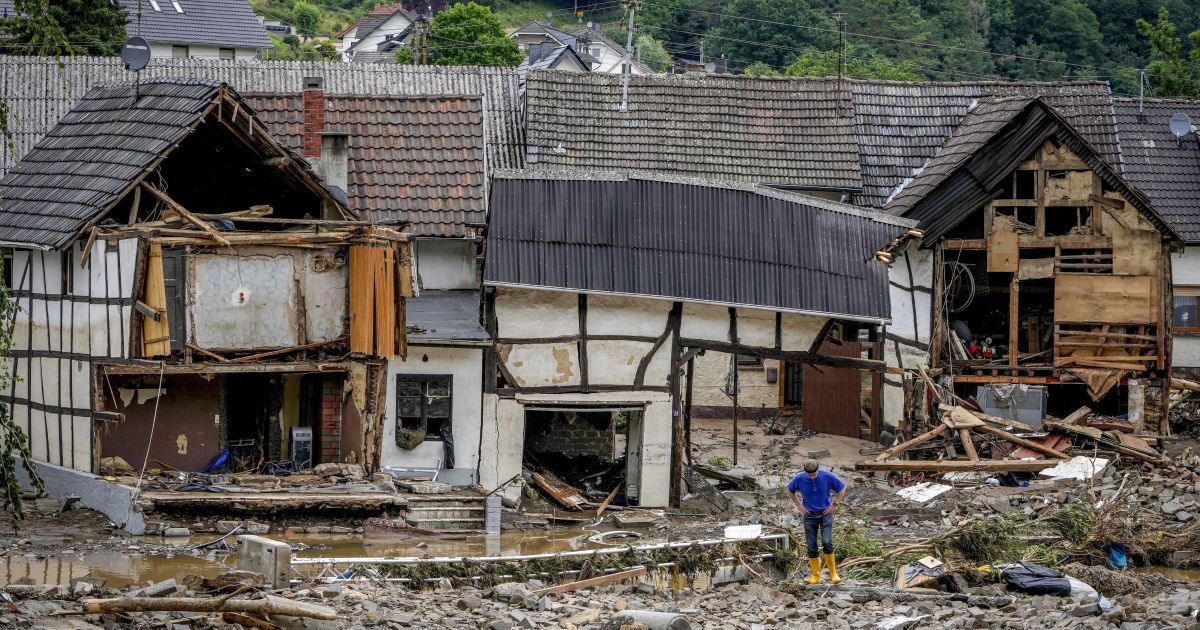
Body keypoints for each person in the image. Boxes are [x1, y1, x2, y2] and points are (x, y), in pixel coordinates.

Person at [787, 459, 847, 585]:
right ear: (805, 471)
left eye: (814, 474)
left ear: (818, 469)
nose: (812, 476)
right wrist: (798, 504)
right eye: (810, 475)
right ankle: (815, 576)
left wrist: (835, 504)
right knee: (811, 546)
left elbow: (842, 488)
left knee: (827, 542)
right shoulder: (799, 478)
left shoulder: (827, 476)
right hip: (808, 515)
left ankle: (833, 574)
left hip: (826, 514)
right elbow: (790, 490)